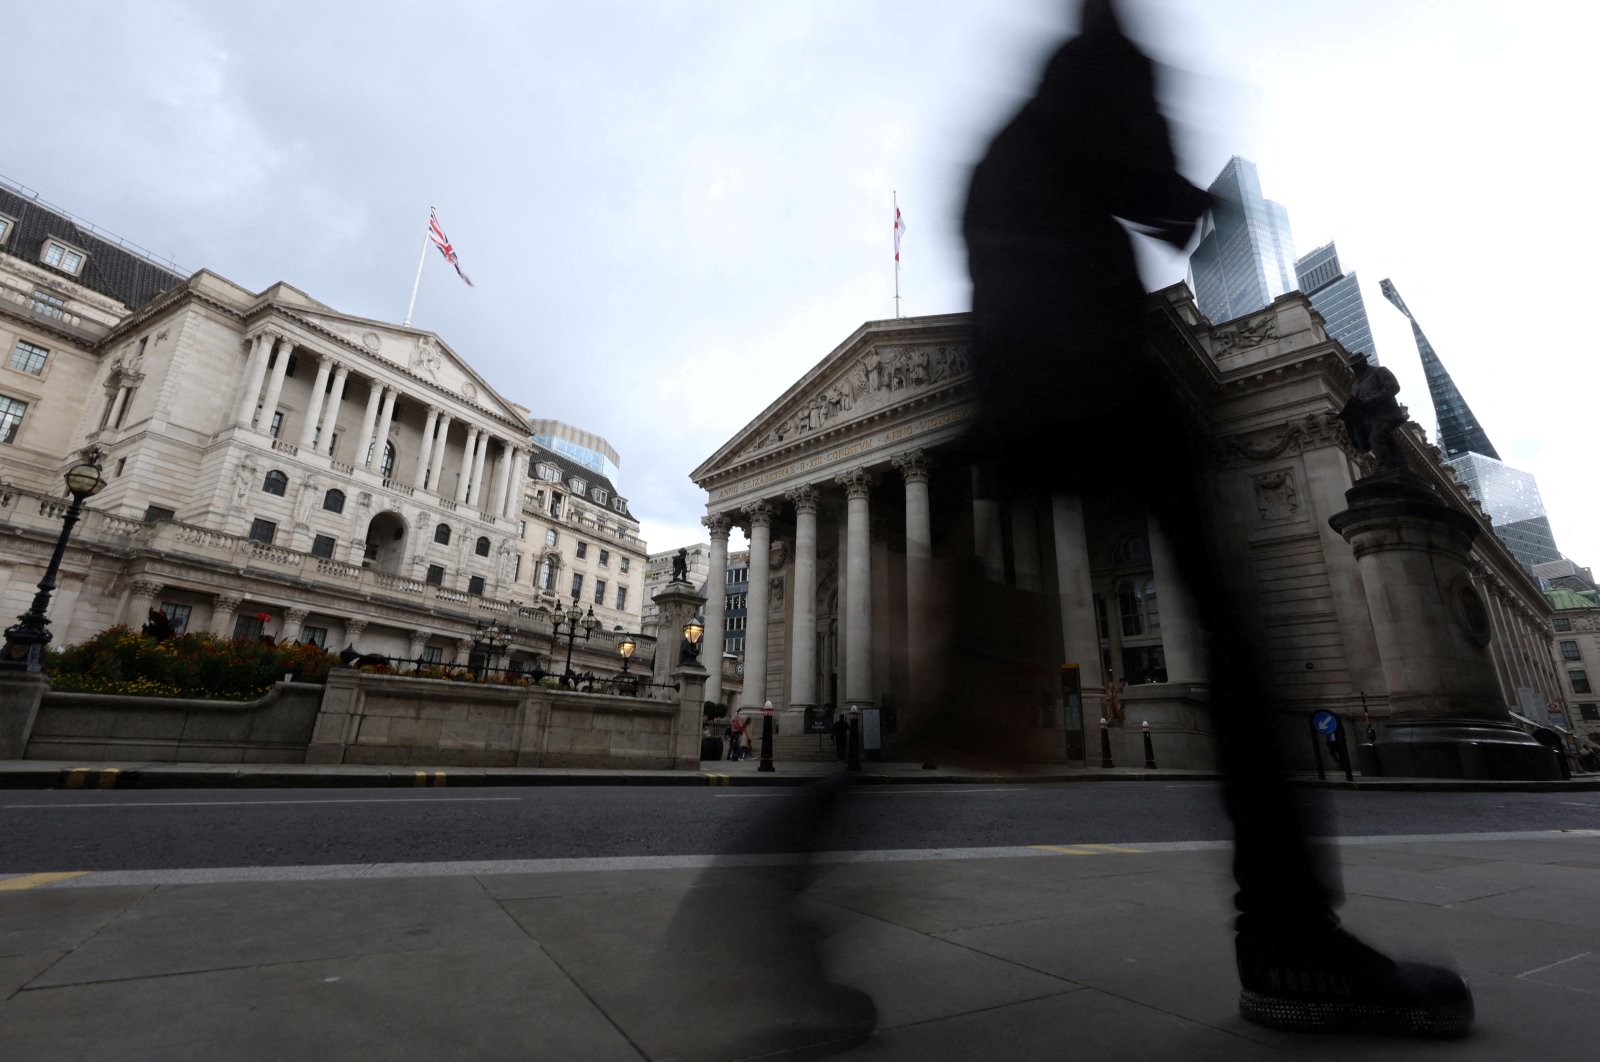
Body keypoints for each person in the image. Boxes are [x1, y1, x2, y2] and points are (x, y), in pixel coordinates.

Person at [955, 0, 1472, 1037]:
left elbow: (1007, 233)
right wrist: (1182, 203)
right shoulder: (1098, 64)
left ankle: (779, 886)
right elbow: (1152, 202)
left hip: (1022, 391)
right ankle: (1287, 936)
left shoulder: (1019, 123)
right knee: (1232, 637)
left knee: (961, 669)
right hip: (1103, 374)